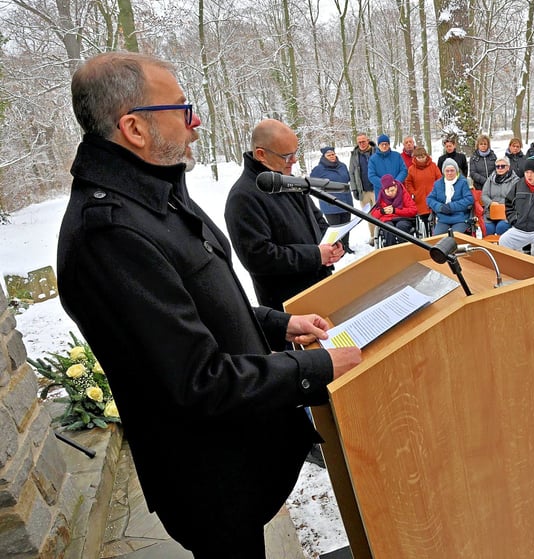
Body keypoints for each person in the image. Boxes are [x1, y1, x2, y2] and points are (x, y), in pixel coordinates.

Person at [58, 52, 361, 558]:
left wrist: (278, 323)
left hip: (244, 453)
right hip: (211, 477)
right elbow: (196, 379)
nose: (195, 124)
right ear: (133, 127)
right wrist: (316, 367)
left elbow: (210, 310)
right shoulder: (110, 235)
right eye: (181, 109)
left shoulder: (157, 194)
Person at [226, 119, 343, 350]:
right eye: (287, 155)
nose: (294, 160)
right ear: (261, 154)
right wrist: (315, 255)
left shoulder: (288, 181)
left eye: (295, 153)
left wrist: (332, 244)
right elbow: (258, 257)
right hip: (289, 310)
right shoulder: (243, 197)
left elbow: (316, 219)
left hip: (320, 289)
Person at [311, 146, 355, 254]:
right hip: (330, 204)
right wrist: (324, 189)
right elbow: (312, 183)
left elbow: (349, 179)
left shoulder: (342, 166)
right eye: (329, 155)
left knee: (346, 226)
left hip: (345, 202)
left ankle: (346, 246)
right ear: (324, 156)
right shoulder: (318, 169)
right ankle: (336, 249)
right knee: (335, 229)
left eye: (333, 154)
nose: (332, 156)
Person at [427, 158, 474, 235]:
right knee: (437, 238)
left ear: (456, 171)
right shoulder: (438, 184)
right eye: (447, 171)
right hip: (443, 218)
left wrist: (451, 207)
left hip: (460, 218)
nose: (449, 173)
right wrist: (440, 207)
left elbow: (469, 199)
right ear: (443, 172)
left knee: (454, 237)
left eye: (452, 170)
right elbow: (430, 199)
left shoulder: (463, 182)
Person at [370, 174, 418, 246]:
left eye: (392, 190)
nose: (390, 193)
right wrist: (382, 211)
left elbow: (413, 210)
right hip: (388, 219)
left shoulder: (403, 193)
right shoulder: (381, 197)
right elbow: (374, 214)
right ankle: (390, 249)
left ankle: (405, 249)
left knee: (401, 226)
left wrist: (395, 210)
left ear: (396, 186)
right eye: (387, 191)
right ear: (383, 190)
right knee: (388, 228)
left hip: (403, 218)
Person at [405, 146, 442, 232]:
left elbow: (439, 179)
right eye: (419, 157)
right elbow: (408, 183)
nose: (421, 159)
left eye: (423, 157)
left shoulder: (433, 166)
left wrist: (437, 192)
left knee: (435, 220)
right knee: (424, 221)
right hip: (420, 199)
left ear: (426, 156)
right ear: (415, 157)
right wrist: (414, 193)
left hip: (433, 197)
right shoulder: (411, 169)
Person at [349, 133, 377, 242]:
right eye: (359, 142)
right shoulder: (355, 155)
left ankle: (382, 234)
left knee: (379, 214)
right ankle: (373, 236)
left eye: (363, 141)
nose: (362, 144)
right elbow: (351, 172)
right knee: (368, 216)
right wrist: (354, 188)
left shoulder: (376, 151)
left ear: (368, 140)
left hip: (376, 189)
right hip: (363, 191)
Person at [482, 156, 518, 235]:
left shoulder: (515, 180)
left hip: (506, 213)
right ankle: (488, 247)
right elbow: (484, 195)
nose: (500, 168)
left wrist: (501, 205)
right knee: (488, 228)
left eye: (503, 166)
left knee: (501, 227)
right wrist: (491, 203)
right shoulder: (490, 179)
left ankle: (501, 247)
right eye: (498, 166)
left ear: (508, 167)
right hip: (490, 213)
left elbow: (515, 198)